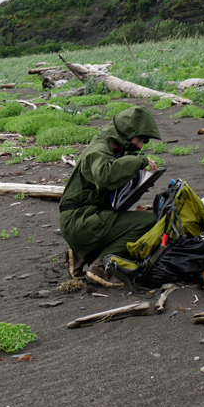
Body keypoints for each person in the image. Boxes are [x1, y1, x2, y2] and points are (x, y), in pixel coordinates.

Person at [58, 105, 162, 287]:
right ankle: (101, 267)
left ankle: (81, 253)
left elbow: (111, 190)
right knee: (148, 222)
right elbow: (105, 176)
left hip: (83, 218)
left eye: (144, 143)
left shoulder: (112, 146)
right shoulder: (99, 150)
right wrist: (139, 161)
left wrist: (138, 185)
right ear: (127, 132)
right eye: (140, 140)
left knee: (123, 222)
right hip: (79, 220)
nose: (140, 146)